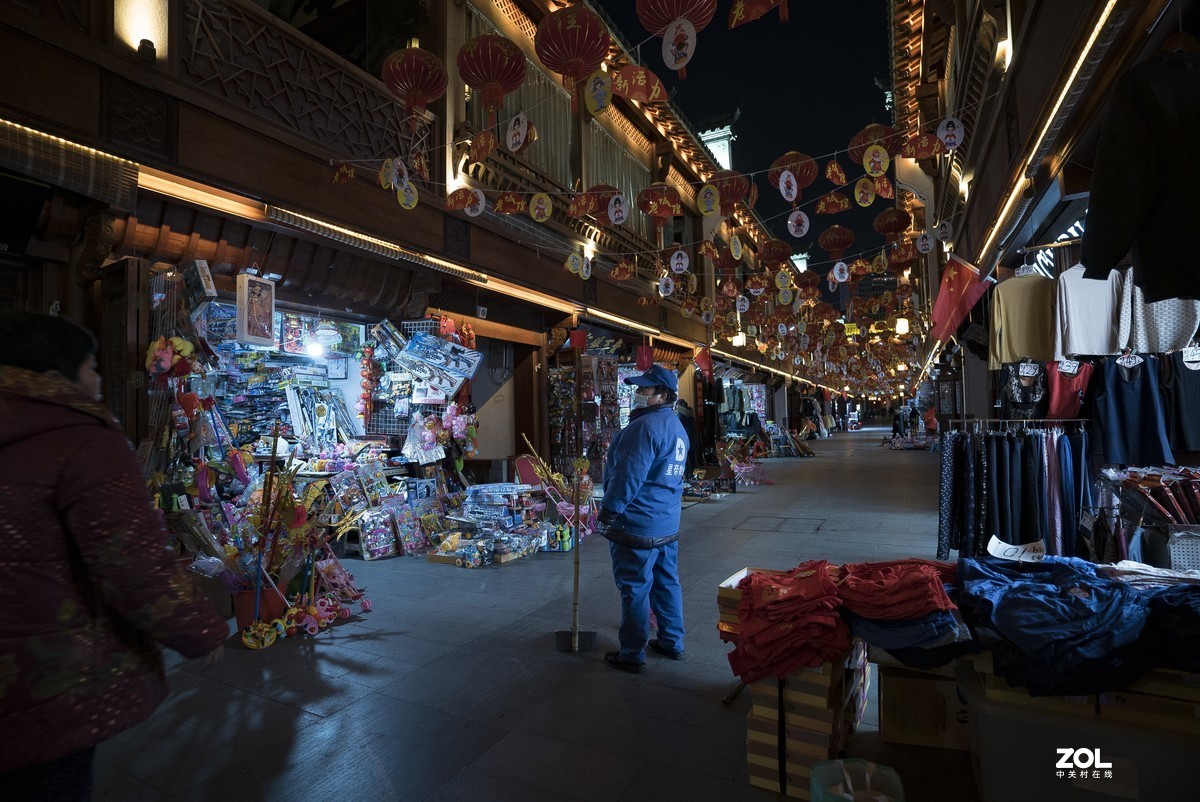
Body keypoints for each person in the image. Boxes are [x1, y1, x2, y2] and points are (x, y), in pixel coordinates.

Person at [0, 310, 227, 799]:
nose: (99, 379)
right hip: (47, 676)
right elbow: (133, 561)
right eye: (93, 367)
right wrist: (199, 629)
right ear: (60, 375)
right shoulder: (81, 440)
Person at [596, 364, 688, 673]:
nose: (637, 393)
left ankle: (632, 653)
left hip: (637, 524)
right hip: (666, 522)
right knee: (666, 583)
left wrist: (608, 511)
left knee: (634, 588)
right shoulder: (676, 426)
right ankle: (672, 642)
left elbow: (627, 477)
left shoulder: (644, 428)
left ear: (661, 394)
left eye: (644, 389)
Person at [675, 398, 701, 477]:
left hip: (684, 439)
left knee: (685, 458)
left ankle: (686, 474)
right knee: (692, 457)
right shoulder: (690, 413)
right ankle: (693, 474)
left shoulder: (680, 415)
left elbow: (678, 427)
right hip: (692, 438)